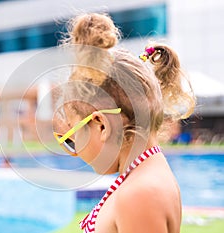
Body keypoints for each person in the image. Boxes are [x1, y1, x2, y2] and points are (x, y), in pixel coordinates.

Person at [53, 12, 195, 233]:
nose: (75, 153)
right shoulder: (145, 176)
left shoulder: (138, 195)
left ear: (101, 125)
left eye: (72, 140)